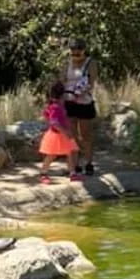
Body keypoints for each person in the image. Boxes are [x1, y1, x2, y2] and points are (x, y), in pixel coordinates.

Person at [63, 39, 98, 176]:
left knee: (86, 135)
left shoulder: (91, 63)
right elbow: (62, 79)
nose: (75, 52)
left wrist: (80, 91)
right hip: (69, 102)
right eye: (73, 49)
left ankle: (88, 163)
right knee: (72, 135)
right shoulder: (67, 63)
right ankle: (75, 164)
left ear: (84, 50)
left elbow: (91, 81)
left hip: (84, 102)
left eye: (78, 49)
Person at [40, 81, 82, 185]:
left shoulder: (56, 105)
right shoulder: (56, 107)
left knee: (70, 153)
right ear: (62, 94)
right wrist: (65, 132)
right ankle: (43, 173)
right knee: (52, 154)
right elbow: (55, 123)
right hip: (57, 135)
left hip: (61, 134)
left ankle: (72, 173)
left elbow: (46, 115)